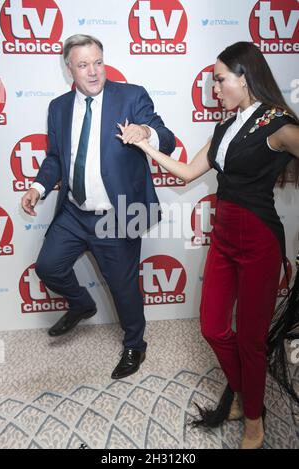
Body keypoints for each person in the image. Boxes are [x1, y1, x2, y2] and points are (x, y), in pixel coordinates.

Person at [117, 42, 299, 449]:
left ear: (244, 76)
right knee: (214, 327)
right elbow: (185, 172)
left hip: (260, 242)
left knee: (251, 340)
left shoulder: (279, 123)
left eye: (220, 80)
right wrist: (144, 145)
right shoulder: (224, 127)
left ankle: (254, 417)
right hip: (225, 238)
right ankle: (243, 392)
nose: (215, 89)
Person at [21, 34, 175, 380]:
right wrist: (37, 187)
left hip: (117, 214)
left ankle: (136, 343)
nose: (93, 72)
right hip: (74, 212)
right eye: (83, 65)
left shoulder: (131, 96)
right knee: (48, 267)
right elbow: (56, 160)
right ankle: (82, 304)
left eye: (98, 62)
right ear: (69, 69)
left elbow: (168, 138)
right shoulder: (58, 107)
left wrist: (145, 132)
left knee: (123, 288)